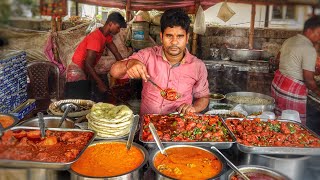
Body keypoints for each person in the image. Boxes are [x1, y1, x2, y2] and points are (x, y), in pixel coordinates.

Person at [110, 8, 210, 115]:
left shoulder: (198, 66)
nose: (174, 42)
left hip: (180, 125)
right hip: (148, 124)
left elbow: (203, 97)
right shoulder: (147, 55)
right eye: (169, 36)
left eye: (180, 36)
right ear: (161, 37)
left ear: (187, 38)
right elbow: (114, 72)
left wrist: (193, 108)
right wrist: (129, 64)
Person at [65, 12, 126, 100]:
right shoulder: (96, 38)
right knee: (78, 102)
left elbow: (116, 53)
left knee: (87, 98)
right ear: (110, 24)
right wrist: (100, 83)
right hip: (76, 70)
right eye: (118, 27)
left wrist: (126, 66)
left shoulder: (106, 36)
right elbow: (88, 64)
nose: (119, 30)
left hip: (84, 68)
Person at [271, 15, 320, 124]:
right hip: (292, 92)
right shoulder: (309, 49)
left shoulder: (290, 40)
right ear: (309, 31)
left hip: (278, 86)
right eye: (319, 33)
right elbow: (309, 80)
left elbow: (278, 60)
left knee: (279, 119)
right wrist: (318, 92)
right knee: (293, 125)